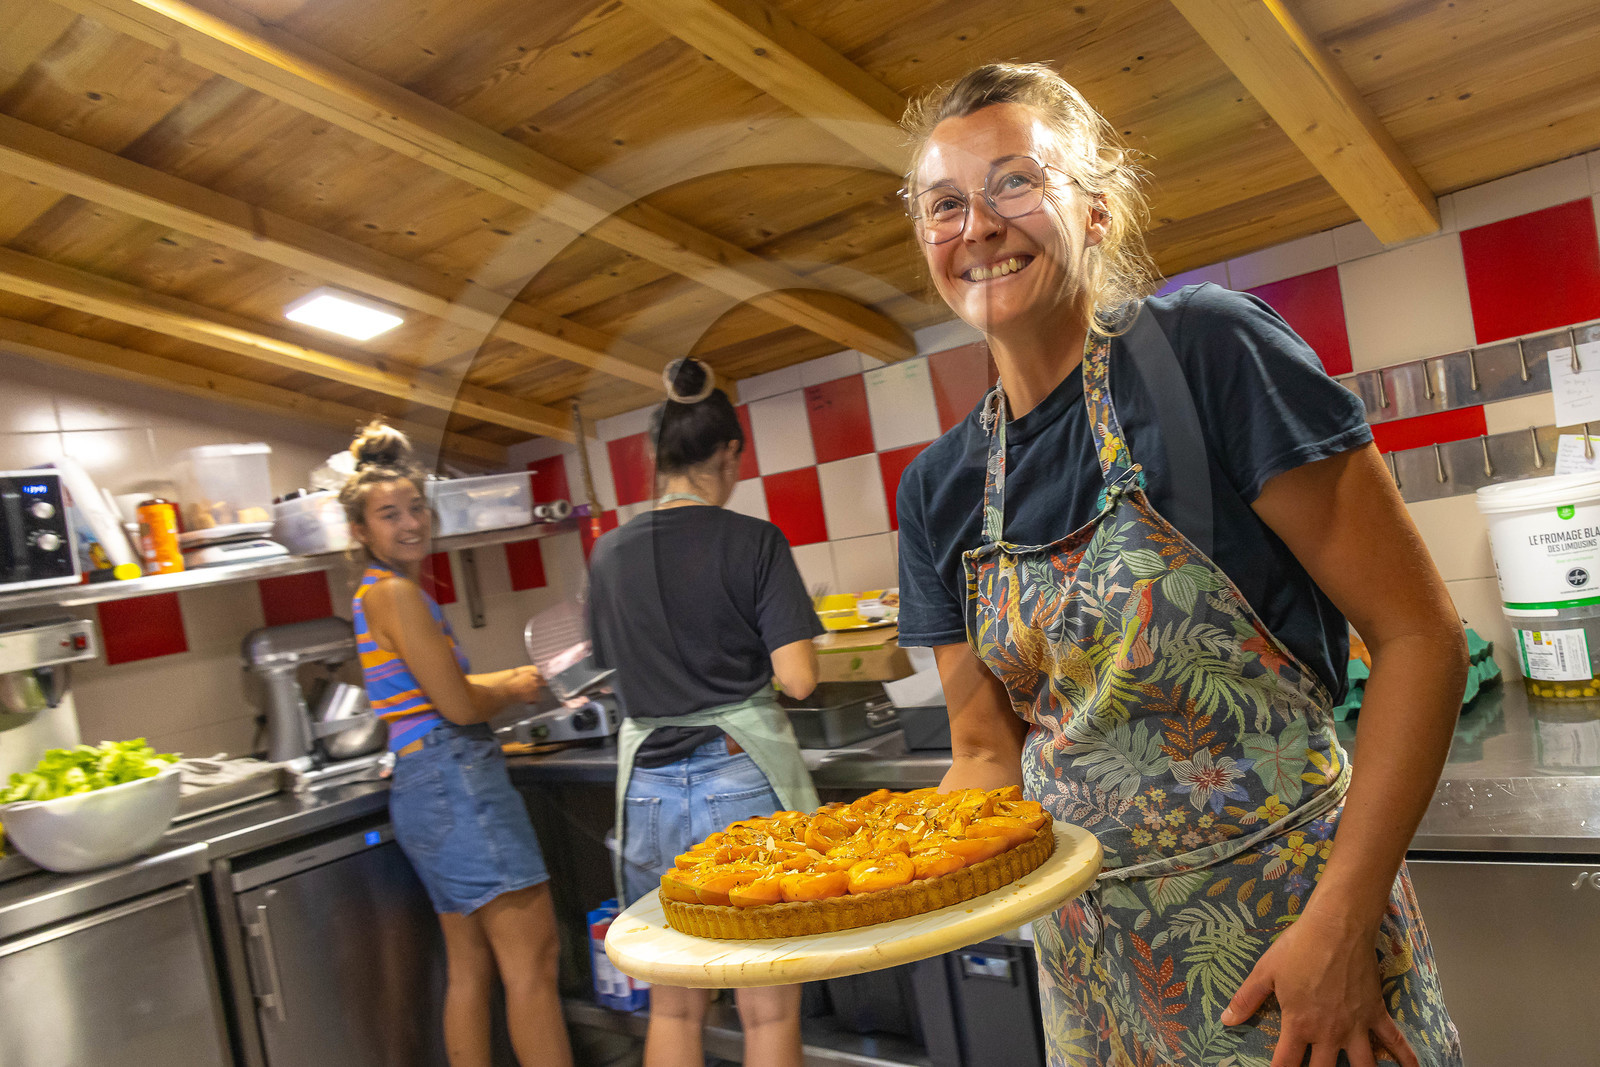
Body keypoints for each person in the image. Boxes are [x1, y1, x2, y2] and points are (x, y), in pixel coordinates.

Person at [893, 64, 1464, 1067]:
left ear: (1099, 210)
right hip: (1091, 978)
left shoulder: (1208, 353)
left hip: (1294, 954)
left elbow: (1419, 639)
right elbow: (987, 753)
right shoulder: (938, 488)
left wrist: (1338, 928)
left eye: (1016, 182)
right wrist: (873, 878)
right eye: (944, 204)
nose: (976, 225)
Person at [586, 357, 824, 1067]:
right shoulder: (753, 540)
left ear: (656, 461)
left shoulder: (607, 554)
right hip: (739, 777)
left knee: (674, 996)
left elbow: (608, 673)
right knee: (767, 999)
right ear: (728, 452)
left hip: (648, 790)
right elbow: (800, 678)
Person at [340, 421, 574, 1067]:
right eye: (389, 514)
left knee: (470, 966)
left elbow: (443, 689)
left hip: (422, 787)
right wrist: (513, 686)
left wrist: (499, 682)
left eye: (416, 507)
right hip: (457, 779)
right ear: (360, 531)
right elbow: (458, 702)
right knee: (534, 962)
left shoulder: (369, 595)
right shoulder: (398, 593)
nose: (411, 522)